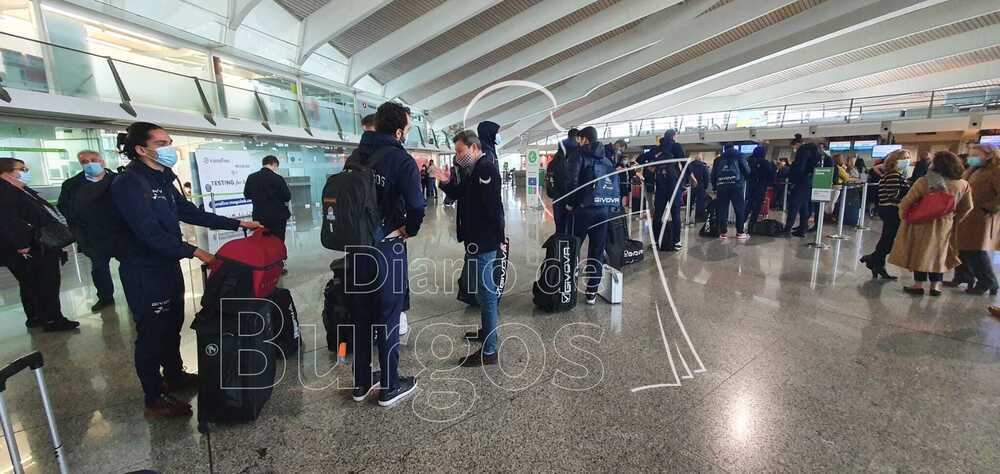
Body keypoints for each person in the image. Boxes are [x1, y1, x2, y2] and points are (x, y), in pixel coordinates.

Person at [111, 122, 261, 419]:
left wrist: (238, 223)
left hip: (166, 265)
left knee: (172, 324)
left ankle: (175, 374)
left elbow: (189, 212)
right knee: (152, 333)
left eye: (169, 141)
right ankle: (154, 397)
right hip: (143, 270)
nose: (168, 147)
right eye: (161, 143)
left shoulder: (164, 178)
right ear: (141, 149)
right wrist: (197, 252)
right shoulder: (129, 183)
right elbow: (148, 233)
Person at [344, 102, 426, 407]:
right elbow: (417, 207)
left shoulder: (355, 156)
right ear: (398, 130)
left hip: (355, 251)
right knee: (389, 318)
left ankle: (361, 383)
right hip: (386, 248)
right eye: (406, 127)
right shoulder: (400, 160)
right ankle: (390, 386)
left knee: (361, 316)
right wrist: (409, 230)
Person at [437, 130, 504, 366]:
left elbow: (494, 208)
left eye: (460, 151)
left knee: (486, 294)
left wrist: (500, 238)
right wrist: (444, 181)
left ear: (474, 147)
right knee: (478, 288)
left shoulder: (485, 168)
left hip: (484, 240)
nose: (457, 156)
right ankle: (487, 331)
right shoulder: (473, 169)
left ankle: (489, 351)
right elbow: (460, 193)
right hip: (474, 240)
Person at [0, 158, 80, 332]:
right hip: (31, 247)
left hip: (37, 243)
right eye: (21, 169)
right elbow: (7, 221)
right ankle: (52, 319)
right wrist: (22, 245)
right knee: (46, 282)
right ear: (5, 173)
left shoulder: (20, 188)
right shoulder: (4, 192)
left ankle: (36, 316)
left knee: (31, 283)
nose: (25, 171)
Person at [888, 151, 973, 296]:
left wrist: (904, 217)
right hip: (945, 224)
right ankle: (936, 286)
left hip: (922, 223)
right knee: (938, 254)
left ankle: (918, 284)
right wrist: (955, 218)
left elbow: (908, 201)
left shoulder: (925, 181)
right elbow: (967, 206)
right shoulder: (962, 184)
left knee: (921, 253)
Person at [57, 151, 117, 312]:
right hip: (91, 235)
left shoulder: (118, 179)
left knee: (129, 266)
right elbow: (63, 206)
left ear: (102, 161)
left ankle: (137, 294)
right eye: (84, 161)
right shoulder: (71, 184)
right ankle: (105, 298)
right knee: (99, 268)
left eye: (93, 160)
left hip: (119, 233)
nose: (89, 164)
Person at [563, 126, 614, 305]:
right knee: (597, 251)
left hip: (583, 210)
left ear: (584, 139)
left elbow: (572, 182)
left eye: (580, 139)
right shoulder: (607, 160)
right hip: (602, 210)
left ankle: (568, 287)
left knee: (573, 247)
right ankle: (592, 292)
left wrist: (570, 203)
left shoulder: (578, 155)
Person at [952, 144, 1000, 295]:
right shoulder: (973, 170)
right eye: (971, 155)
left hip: (981, 216)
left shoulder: (995, 171)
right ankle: (963, 276)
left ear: (988, 155)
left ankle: (988, 281)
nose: (971, 158)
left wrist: (988, 207)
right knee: (961, 247)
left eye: (976, 155)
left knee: (975, 250)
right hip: (966, 215)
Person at [860, 150, 910, 279]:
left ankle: (877, 263)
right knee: (891, 238)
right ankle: (874, 258)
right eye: (905, 158)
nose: (908, 161)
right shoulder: (893, 175)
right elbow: (894, 195)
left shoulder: (892, 175)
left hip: (887, 209)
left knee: (887, 238)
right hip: (891, 210)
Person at [651, 132, 688, 251]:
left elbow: (641, 159)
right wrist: (690, 177)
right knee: (676, 214)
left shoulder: (657, 148)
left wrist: (651, 168)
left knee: (657, 214)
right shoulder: (676, 146)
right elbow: (684, 163)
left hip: (661, 184)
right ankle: (676, 242)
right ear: (673, 136)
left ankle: (656, 242)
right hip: (673, 184)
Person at [244, 155, 291, 241]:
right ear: (274, 164)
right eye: (276, 167)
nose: (276, 169)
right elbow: (287, 197)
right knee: (277, 242)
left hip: (259, 217)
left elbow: (247, 194)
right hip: (277, 217)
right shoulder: (278, 178)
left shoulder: (251, 177)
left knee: (262, 242)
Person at [711, 144, 751, 240]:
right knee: (739, 208)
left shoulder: (718, 159)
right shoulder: (740, 155)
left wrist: (715, 187)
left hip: (721, 186)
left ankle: (723, 232)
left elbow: (713, 175)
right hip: (736, 186)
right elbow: (747, 171)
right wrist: (744, 179)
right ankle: (740, 232)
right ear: (734, 148)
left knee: (722, 209)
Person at [782, 143, 822, 237]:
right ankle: (803, 229)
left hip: (800, 181)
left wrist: (790, 173)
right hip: (809, 181)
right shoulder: (814, 154)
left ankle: (788, 229)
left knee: (794, 205)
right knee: (804, 206)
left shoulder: (803, 152)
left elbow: (799, 168)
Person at [547, 128, 580, 232]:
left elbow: (549, 178)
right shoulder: (577, 157)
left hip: (558, 197)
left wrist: (553, 193)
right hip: (572, 198)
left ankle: (560, 246)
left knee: (560, 227)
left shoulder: (555, 159)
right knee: (572, 228)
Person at [745, 145, 775, 229]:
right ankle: (752, 223)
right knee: (757, 206)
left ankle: (742, 221)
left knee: (748, 204)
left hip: (750, 186)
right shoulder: (765, 162)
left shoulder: (749, 161)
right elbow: (771, 175)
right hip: (761, 186)